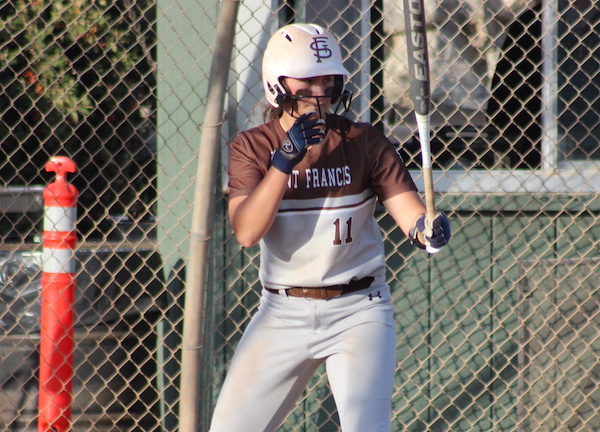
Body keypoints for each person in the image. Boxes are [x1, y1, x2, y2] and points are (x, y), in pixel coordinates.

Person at [209, 23, 451, 432]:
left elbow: (410, 214)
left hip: (358, 310)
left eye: (328, 80)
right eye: (307, 80)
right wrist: (284, 160)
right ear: (276, 83)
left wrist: (427, 228)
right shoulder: (252, 147)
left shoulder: (364, 141)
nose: (319, 91)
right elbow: (247, 232)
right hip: (282, 311)